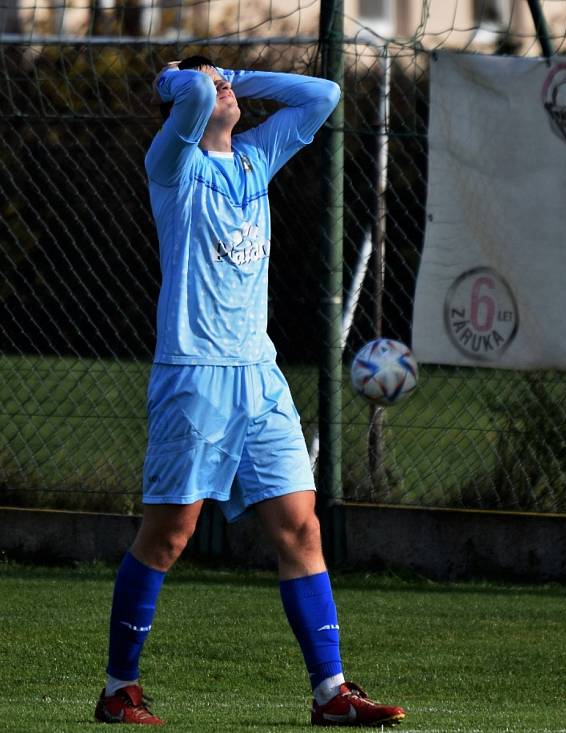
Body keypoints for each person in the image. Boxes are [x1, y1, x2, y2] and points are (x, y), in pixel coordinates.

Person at [93, 56, 406, 728]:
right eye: (209, 84)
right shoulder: (173, 165)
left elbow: (322, 95)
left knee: (302, 525)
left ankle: (331, 694)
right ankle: (120, 688)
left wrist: (232, 70)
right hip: (194, 376)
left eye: (223, 81)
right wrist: (183, 77)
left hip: (259, 379)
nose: (223, 87)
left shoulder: (254, 161)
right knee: (169, 534)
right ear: (185, 102)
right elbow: (192, 97)